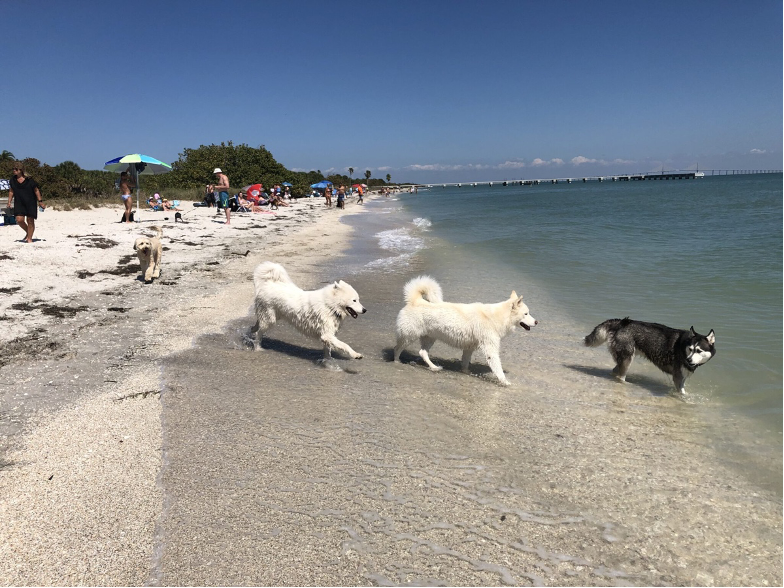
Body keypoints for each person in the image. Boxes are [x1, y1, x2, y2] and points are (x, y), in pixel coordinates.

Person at [7, 162, 43, 243]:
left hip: (30, 202)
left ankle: (29, 238)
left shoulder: (29, 180)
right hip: (19, 202)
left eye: (16, 169)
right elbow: (11, 191)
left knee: (30, 220)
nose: (14, 171)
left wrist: (40, 201)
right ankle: (28, 232)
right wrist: (9, 201)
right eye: (13, 169)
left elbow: (36, 190)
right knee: (19, 220)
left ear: (21, 170)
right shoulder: (13, 180)